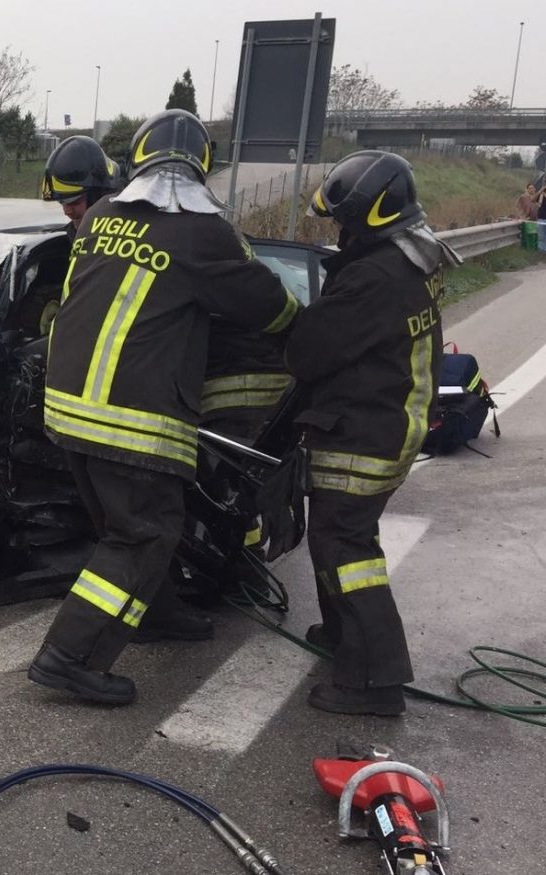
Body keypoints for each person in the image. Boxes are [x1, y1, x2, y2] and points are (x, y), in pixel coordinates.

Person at [27, 110, 301, 705]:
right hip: (131, 416)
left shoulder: (100, 215)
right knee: (144, 534)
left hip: (68, 405)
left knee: (123, 528)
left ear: (136, 161)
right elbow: (269, 306)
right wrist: (301, 328)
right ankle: (68, 657)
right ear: (203, 166)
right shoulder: (204, 232)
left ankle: (156, 614)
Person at [289, 150, 459, 716]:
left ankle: (376, 682)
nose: (339, 232)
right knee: (340, 538)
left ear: (370, 217)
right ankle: (344, 637)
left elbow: (307, 352)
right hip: (393, 423)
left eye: (344, 222)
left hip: (364, 432)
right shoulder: (414, 259)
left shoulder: (371, 277)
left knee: (345, 549)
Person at [41, 136, 124, 234]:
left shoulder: (124, 236)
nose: (67, 211)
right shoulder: (68, 235)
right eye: (61, 202)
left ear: (99, 196)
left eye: (74, 202)